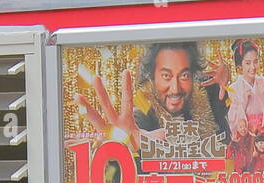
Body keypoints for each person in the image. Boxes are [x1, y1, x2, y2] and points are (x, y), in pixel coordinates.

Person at [75, 41, 228, 152]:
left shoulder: (209, 93)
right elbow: (134, 127)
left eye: (184, 75)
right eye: (166, 75)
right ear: (151, 77)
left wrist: (229, 85)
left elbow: (231, 134)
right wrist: (122, 146)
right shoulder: (143, 106)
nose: (175, 89)